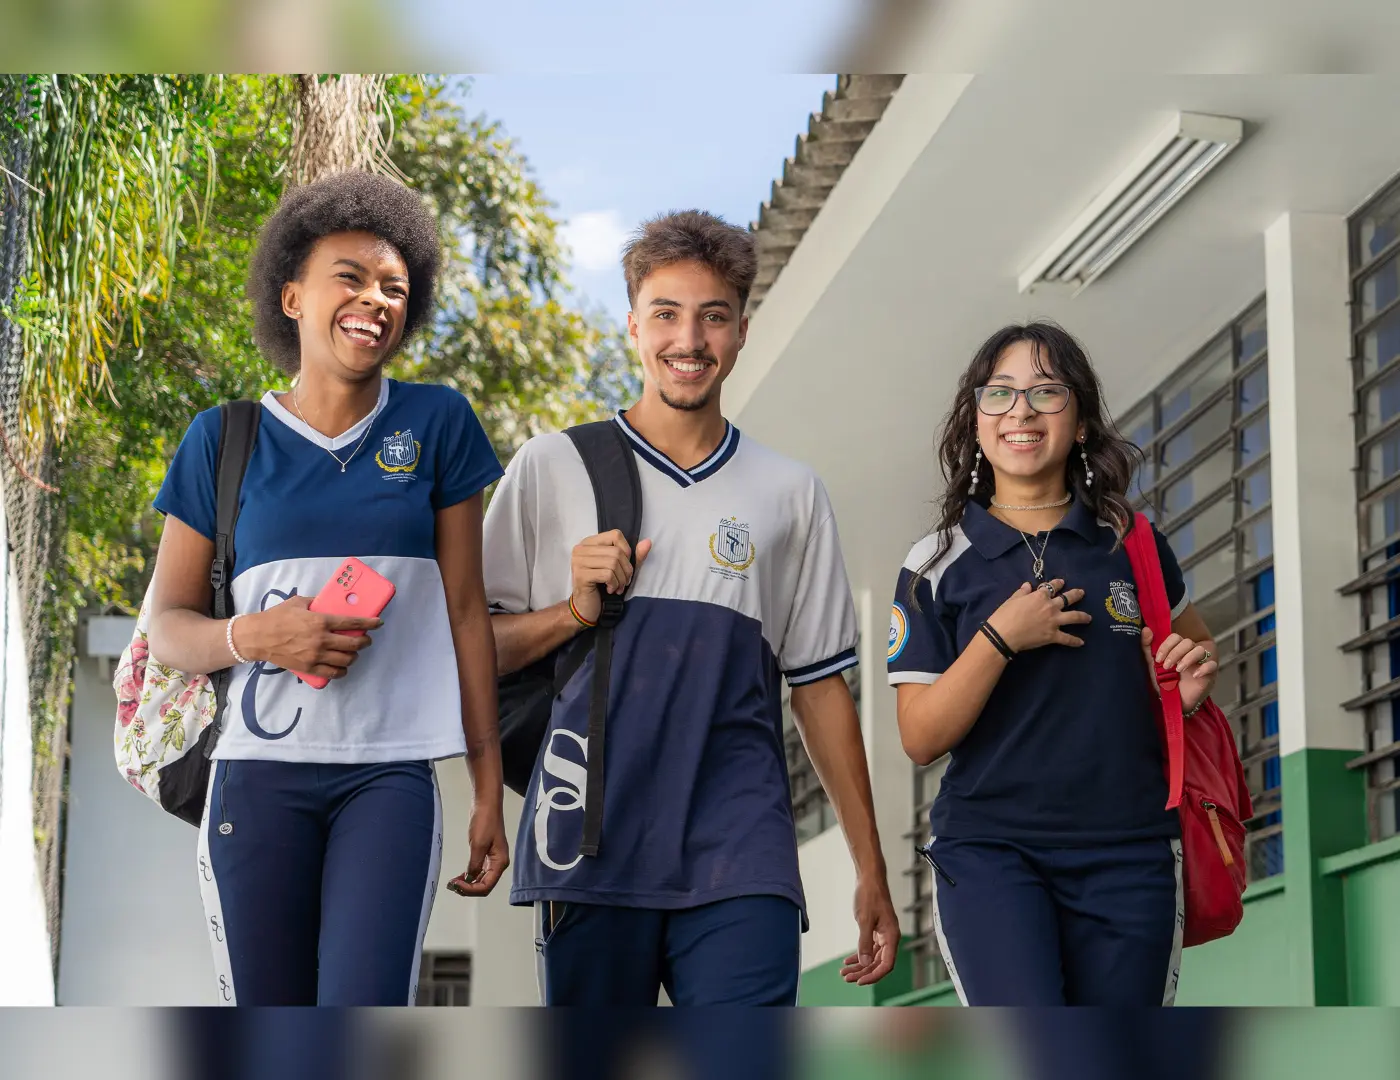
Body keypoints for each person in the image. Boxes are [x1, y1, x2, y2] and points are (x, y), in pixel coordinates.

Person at [483, 210, 900, 1006]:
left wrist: (869, 867)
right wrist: (572, 611)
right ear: (633, 325)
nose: (690, 339)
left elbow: (818, 689)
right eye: (667, 314)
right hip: (590, 842)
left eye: (713, 317)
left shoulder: (790, 493)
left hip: (739, 846)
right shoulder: (552, 466)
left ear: (741, 331)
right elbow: (476, 652)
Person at [146, 170, 509, 1006]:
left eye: (394, 287)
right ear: (292, 296)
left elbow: (465, 616)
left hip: (388, 777)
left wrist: (489, 789)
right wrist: (255, 637)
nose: (374, 299)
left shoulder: (438, 423)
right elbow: (167, 625)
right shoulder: (221, 439)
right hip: (255, 778)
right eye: (350, 276)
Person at [887, 322, 1220, 1007]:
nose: (1022, 411)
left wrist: (1184, 689)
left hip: (1131, 852)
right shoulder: (935, 563)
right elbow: (920, 737)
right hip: (991, 854)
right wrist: (999, 638)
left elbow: (1193, 654)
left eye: (1047, 392)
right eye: (1000, 392)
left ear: (1080, 421)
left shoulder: (1135, 545)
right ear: (974, 419)